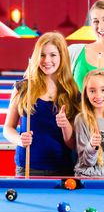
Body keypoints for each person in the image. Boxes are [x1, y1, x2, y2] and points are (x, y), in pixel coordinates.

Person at [3, 32, 80, 176]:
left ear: (62, 57)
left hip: (62, 168)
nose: (47, 60)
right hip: (27, 166)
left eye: (53, 55)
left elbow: (73, 144)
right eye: (42, 55)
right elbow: (8, 128)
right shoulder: (22, 88)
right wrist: (19, 139)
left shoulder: (72, 93)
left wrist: (65, 125)